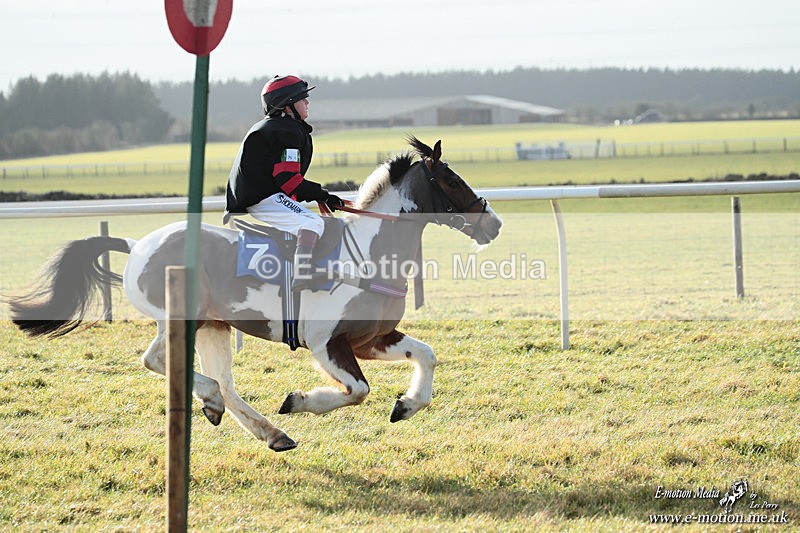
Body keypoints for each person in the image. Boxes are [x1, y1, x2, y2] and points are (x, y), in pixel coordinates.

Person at [224, 75, 344, 290]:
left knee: (314, 221)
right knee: (313, 223)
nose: (307, 102)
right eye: (302, 99)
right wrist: (322, 195)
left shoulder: (278, 127)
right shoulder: (285, 131)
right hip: (264, 198)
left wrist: (320, 195)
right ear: (287, 106)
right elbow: (288, 180)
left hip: (264, 195)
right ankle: (302, 274)